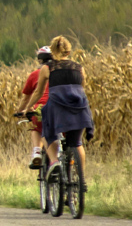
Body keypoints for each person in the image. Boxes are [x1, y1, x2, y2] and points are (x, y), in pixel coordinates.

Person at [39, 35, 94, 187]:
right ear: (68, 52)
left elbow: (38, 93)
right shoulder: (79, 68)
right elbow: (82, 86)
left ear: (52, 51)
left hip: (58, 107)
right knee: (77, 143)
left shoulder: (47, 68)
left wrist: (30, 107)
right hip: (79, 107)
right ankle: (81, 180)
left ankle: (55, 162)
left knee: (46, 131)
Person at [13, 46, 52, 167]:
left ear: (40, 60)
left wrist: (20, 111)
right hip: (60, 107)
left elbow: (26, 97)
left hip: (40, 108)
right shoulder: (60, 73)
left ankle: (37, 151)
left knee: (36, 127)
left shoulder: (35, 74)